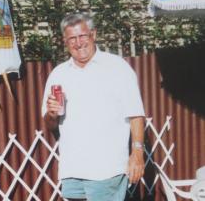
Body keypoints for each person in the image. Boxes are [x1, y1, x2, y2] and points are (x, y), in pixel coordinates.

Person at [41, 12, 145, 201]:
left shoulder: (117, 67)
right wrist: (51, 114)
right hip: (72, 168)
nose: (78, 43)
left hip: (107, 169)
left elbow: (136, 113)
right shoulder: (59, 74)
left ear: (93, 35)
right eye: (72, 38)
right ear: (65, 41)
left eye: (82, 36)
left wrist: (137, 152)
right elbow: (50, 125)